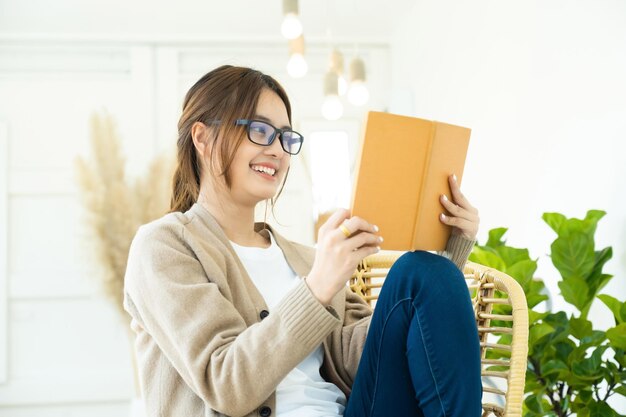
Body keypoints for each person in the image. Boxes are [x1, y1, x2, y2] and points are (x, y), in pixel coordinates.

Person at [123, 65, 482, 417]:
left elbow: (364, 360)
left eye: (286, 137)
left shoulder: (307, 258)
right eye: (260, 130)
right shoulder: (164, 246)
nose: (278, 150)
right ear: (202, 138)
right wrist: (317, 287)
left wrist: (448, 261)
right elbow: (227, 385)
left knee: (421, 273)